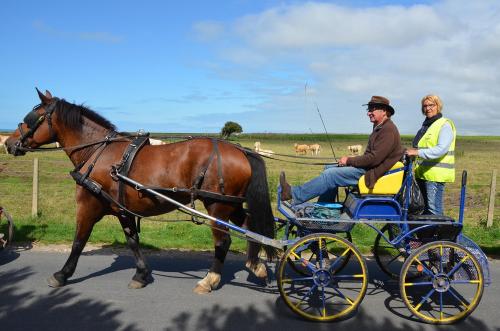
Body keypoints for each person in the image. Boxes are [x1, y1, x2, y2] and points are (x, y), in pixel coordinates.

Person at [280, 96, 404, 205]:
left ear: (384, 111)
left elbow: (374, 159)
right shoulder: (380, 127)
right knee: (329, 168)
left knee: (331, 175)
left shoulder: (387, 130)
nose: (369, 113)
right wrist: (349, 161)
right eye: (368, 109)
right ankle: (325, 206)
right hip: (370, 168)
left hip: (373, 173)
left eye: (372, 109)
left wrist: (349, 160)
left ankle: (293, 194)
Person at [406, 94, 456, 215]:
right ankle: (426, 234)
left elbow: (441, 149)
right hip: (422, 174)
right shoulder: (426, 126)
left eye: (431, 105)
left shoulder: (444, 125)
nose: (428, 108)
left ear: (438, 106)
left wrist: (417, 152)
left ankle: (440, 234)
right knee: (424, 210)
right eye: (425, 106)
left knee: (434, 210)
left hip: (435, 176)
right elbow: (419, 147)